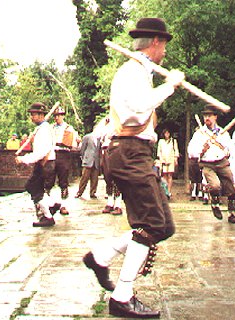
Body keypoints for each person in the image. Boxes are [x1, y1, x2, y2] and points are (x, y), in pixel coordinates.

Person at [82, 18, 185, 318]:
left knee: (163, 226)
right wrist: (169, 86)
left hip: (136, 153)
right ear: (155, 43)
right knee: (150, 224)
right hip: (127, 152)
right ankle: (122, 296)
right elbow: (137, 111)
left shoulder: (141, 72)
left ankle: (101, 257)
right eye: (164, 45)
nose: (164, 51)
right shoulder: (132, 72)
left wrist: (162, 83)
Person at [187, 105, 235, 224]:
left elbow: (230, 147)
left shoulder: (222, 132)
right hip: (207, 164)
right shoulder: (199, 134)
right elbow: (191, 151)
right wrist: (203, 149)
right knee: (215, 186)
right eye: (205, 116)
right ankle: (215, 204)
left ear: (215, 117)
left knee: (231, 187)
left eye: (209, 115)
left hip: (222, 162)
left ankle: (232, 214)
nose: (207, 118)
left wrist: (226, 152)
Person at [15, 103, 59, 227]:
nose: (31, 117)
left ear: (41, 115)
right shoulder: (43, 129)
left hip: (44, 163)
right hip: (46, 163)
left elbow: (41, 152)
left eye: (33, 114)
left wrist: (24, 159)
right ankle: (52, 204)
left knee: (34, 188)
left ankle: (48, 216)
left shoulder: (44, 130)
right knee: (35, 188)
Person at [50, 106, 79, 214]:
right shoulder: (51, 128)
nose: (57, 118)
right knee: (49, 179)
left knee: (63, 180)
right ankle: (52, 204)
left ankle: (64, 205)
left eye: (59, 115)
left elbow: (74, 143)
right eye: (55, 116)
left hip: (64, 154)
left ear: (62, 116)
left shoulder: (69, 128)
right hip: (53, 153)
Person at [75, 132, 100, 199]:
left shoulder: (99, 139)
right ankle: (79, 192)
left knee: (95, 179)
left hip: (96, 161)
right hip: (88, 160)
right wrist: (84, 158)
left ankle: (93, 193)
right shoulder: (87, 137)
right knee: (84, 178)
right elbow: (82, 148)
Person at [156, 129, 179, 198]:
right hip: (163, 160)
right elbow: (159, 151)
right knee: (164, 176)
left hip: (171, 159)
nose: (167, 134)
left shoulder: (173, 141)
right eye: (165, 133)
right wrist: (161, 159)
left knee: (170, 175)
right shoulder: (161, 141)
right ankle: (164, 191)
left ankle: (168, 191)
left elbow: (176, 150)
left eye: (168, 133)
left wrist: (175, 159)